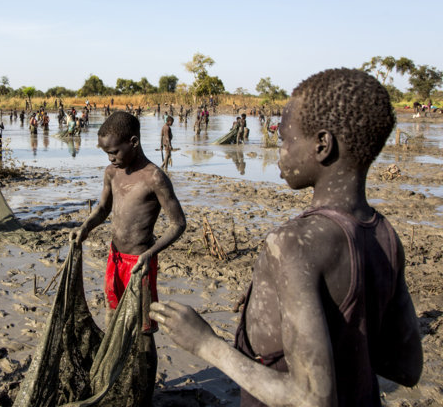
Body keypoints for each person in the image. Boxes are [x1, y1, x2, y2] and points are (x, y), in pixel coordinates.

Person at [150, 68, 422, 406]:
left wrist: (205, 344)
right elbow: (406, 367)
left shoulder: (294, 243)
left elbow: (310, 398)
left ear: (322, 145)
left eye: (285, 139)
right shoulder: (385, 235)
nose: (279, 150)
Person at [70, 112, 186, 407]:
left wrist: (150, 253)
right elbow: (102, 208)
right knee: (113, 320)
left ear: (133, 142)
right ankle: (118, 383)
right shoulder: (112, 173)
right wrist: (85, 227)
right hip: (115, 259)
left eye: (114, 152)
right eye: (106, 153)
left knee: (143, 331)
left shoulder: (154, 177)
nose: (111, 158)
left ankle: (144, 395)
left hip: (140, 264)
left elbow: (178, 224)